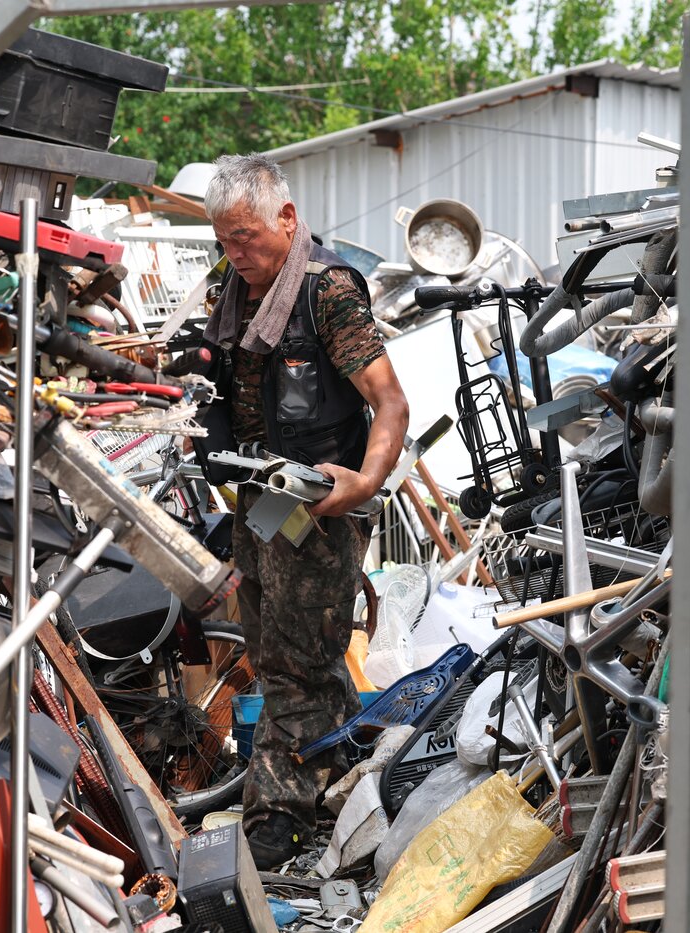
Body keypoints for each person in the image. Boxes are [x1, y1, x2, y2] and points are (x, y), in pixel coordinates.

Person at [199, 154, 410, 869]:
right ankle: (366, 767)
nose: (238, 253)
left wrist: (362, 483)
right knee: (284, 658)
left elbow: (390, 402)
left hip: (320, 516)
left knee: (294, 666)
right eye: (226, 239)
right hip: (258, 508)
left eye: (248, 236)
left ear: (287, 219)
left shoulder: (328, 293)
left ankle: (279, 817)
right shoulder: (228, 289)